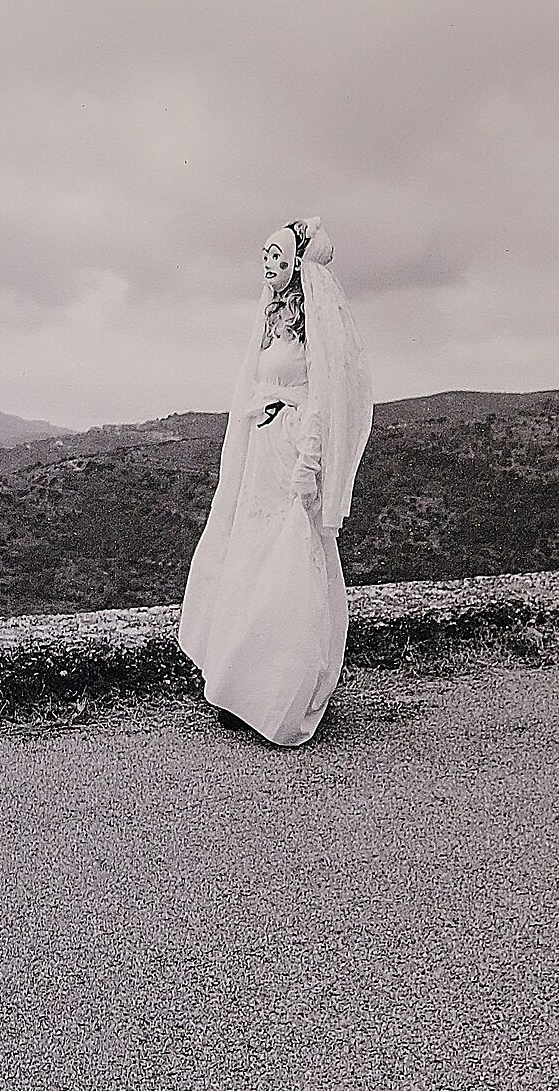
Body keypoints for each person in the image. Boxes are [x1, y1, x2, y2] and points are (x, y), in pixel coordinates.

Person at [177, 217, 374, 746]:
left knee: (289, 563)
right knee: (251, 556)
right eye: (264, 256)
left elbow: (322, 399)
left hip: (289, 452)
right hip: (260, 451)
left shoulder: (315, 328)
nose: (269, 266)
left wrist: (308, 465)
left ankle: (281, 693)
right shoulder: (267, 320)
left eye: (278, 257)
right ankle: (241, 686)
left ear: (296, 264)